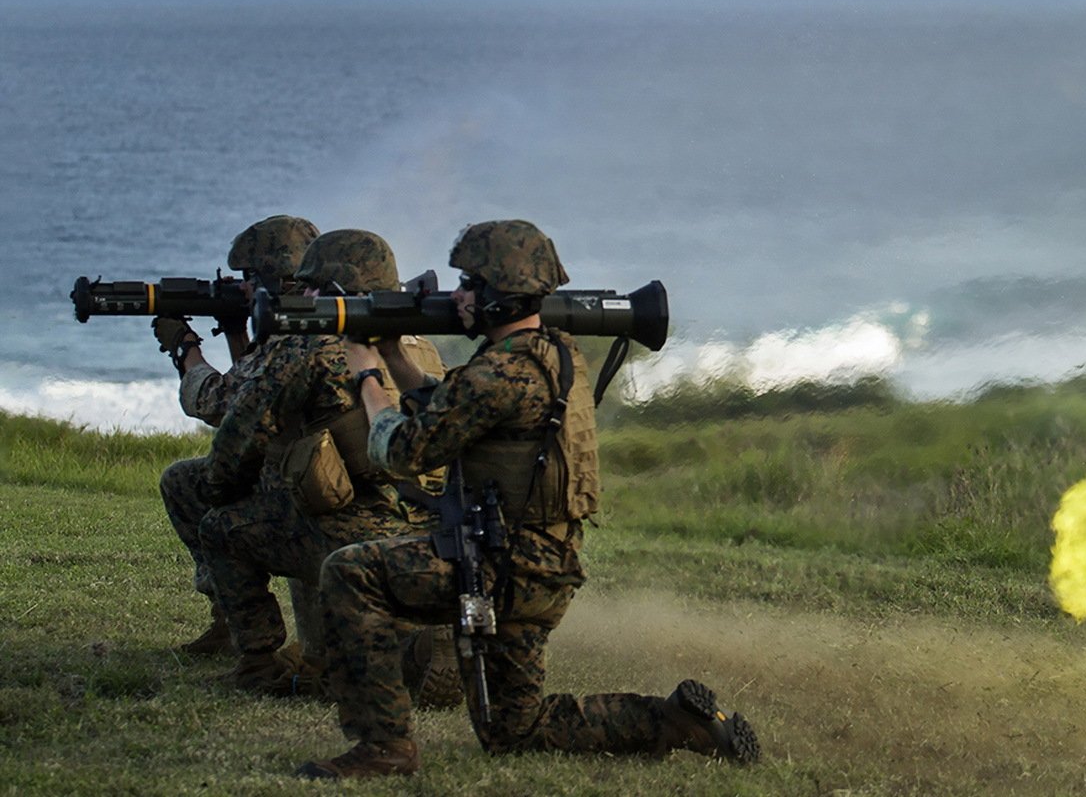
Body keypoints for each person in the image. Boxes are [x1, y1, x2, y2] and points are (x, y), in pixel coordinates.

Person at [297, 220, 757, 780]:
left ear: (497, 296)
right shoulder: (554, 355)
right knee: (514, 730)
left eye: (469, 283)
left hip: (500, 569)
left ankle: (384, 748)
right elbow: (454, 408)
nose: (457, 295)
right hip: (545, 566)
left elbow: (400, 450)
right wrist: (394, 354)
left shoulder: (501, 371)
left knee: (351, 572)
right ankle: (675, 721)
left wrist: (366, 371)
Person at [196, 228, 451, 697]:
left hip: (359, 531)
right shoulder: (419, 343)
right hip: (433, 527)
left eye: (309, 284)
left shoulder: (305, 344)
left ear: (330, 288)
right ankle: (405, 647)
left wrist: (222, 489)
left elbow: (234, 446)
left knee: (221, 526)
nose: (303, 293)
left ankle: (259, 663)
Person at [155, 214, 319, 655]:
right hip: (339, 483)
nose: (241, 287)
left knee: (196, 491)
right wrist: (236, 331)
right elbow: (259, 387)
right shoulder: (345, 323)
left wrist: (185, 349)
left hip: (309, 501)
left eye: (248, 279)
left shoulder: (292, 342)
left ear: (270, 280)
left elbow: (220, 403)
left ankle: (246, 640)